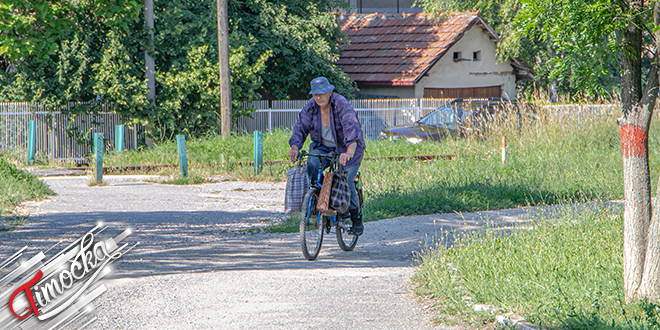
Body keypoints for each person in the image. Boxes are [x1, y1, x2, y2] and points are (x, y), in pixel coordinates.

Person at [288, 77, 366, 236]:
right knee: (311, 163)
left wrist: (349, 152)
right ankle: (319, 198)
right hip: (321, 147)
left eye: (322, 93)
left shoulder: (341, 104)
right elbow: (300, 129)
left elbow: (352, 129)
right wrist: (295, 148)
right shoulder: (310, 107)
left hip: (347, 148)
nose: (319, 97)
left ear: (330, 92)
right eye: (315, 94)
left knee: (346, 180)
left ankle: (356, 218)